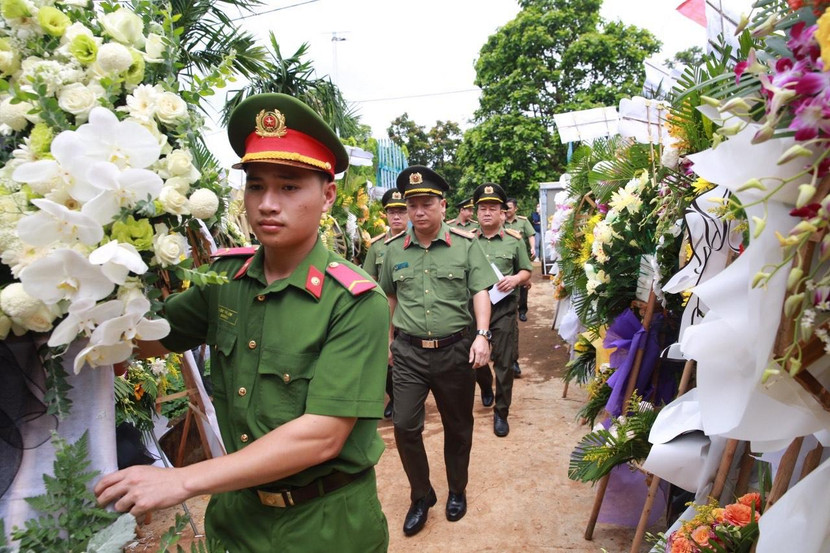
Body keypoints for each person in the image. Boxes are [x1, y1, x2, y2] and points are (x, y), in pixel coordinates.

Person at [94, 93, 390, 552]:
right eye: (255, 186)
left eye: (289, 187)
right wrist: (89, 329)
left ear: (327, 195)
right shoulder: (224, 281)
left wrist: (183, 480)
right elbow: (149, 338)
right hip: (238, 519)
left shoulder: (354, 301)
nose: (267, 204)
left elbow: (322, 436)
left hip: (325, 524)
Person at [379, 166, 497, 537]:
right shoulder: (392, 251)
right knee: (404, 426)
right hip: (409, 353)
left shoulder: (465, 244)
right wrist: (387, 340)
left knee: (458, 427)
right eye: (412, 205)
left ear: (442, 205)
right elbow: (389, 296)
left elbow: (480, 291)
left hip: (455, 350)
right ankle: (421, 494)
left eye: (426, 203)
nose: (418, 211)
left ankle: (457, 489)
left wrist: (482, 335)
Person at [470, 184, 532, 437]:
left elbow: (526, 270)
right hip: (472, 311)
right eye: (482, 208)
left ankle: (501, 412)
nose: (487, 212)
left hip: (503, 309)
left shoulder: (514, 241)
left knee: (504, 364)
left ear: (502, 213)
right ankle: (485, 386)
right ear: (477, 213)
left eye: (492, 208)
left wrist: (515, 279)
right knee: (475, 360)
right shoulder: (467, 241)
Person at [363, 188, 409, 419]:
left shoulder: (416, 242)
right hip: (386, 311)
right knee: (386, 358)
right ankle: (394, 396)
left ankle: (406, 400)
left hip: (410, 311)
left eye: (401, 211)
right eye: (392, 212)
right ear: (386, 214)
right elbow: (369, 279)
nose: (397, 216)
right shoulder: (377, 246)